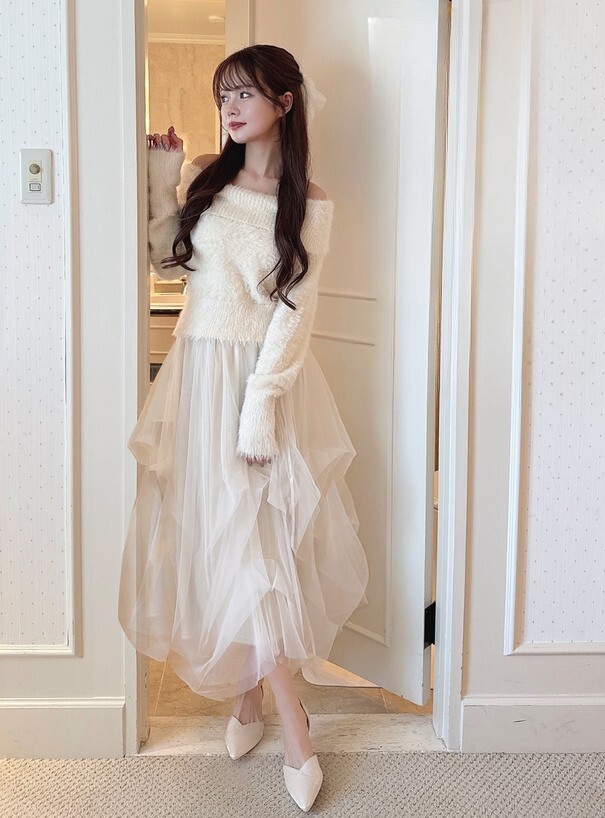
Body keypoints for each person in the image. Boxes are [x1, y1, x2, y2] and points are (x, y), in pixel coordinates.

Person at [118, 44, 369, 812]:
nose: (229, 107)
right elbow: (167, 263)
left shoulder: (309, 203)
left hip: (261, 383)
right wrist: (163, 179)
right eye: (223, 95)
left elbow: (295, 315)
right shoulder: (206, 175)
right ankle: (250, 697)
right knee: (220, 539)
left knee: (257, 546)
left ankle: (291, 725)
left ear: (284, 103)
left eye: (245, 94)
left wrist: (261, 403)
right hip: (196, 378)